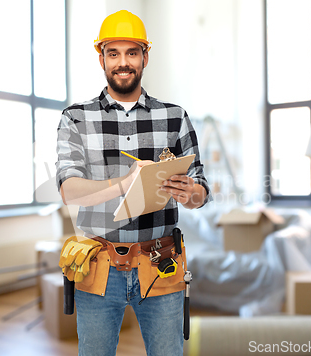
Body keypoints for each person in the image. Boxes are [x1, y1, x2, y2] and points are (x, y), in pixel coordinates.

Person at [56, 10, 210, 356]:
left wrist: (191, 194)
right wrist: (126, 183)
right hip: (98, 266)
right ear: (101, 59)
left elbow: (201, 186)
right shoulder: (76, 118)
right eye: (114, 53)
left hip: (161, 265)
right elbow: (70, 190)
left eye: (131, 53)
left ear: (145, 57)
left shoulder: (174, 117)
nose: (122, 62)